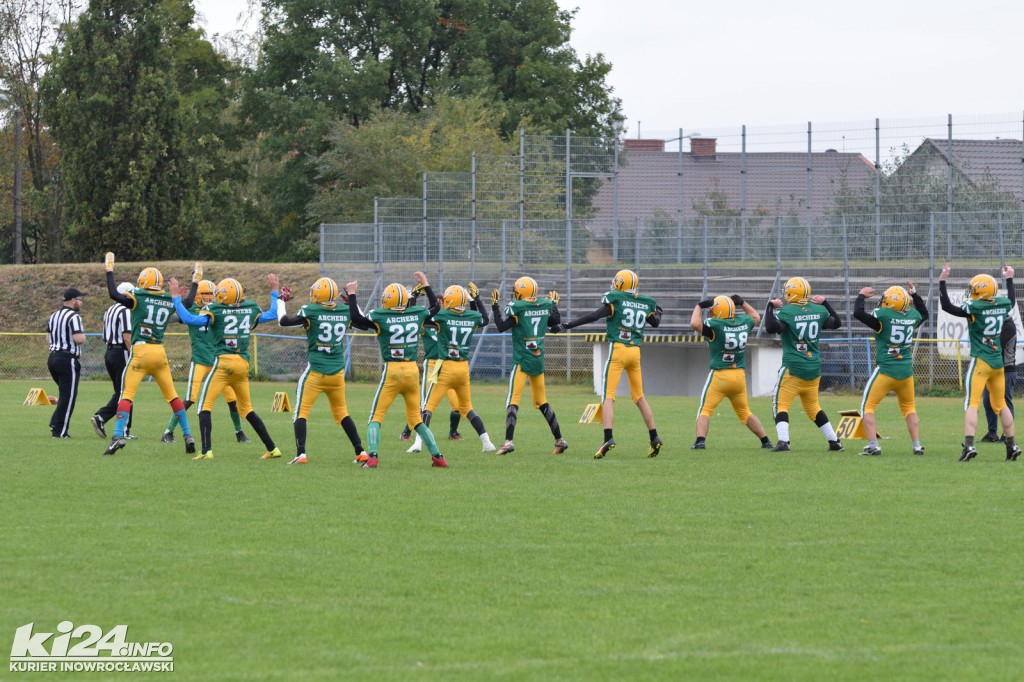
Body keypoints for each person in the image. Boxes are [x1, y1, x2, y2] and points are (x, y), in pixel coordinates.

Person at [552, 269, 663, 459]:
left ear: (620, 284)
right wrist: (659, 311)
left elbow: (594, 316)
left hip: (618, 349)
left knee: (608, 397)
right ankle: (654, 437)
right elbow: (655, 322)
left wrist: (566, 325)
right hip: (635, 351)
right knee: (639, 397)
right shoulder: (645, 302)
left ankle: (608, 438)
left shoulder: (616, 299)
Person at [171, 275, 281, 461]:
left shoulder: (215, 310)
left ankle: (206, 450)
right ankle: (272, 448)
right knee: (247, 410)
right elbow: (273, 314)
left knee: (204, 406)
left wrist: (175, 298)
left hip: (223, 363)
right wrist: (274, 290)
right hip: (242, 364)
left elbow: (188, 318)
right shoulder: (249, 308)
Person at [346, 272, 446, 468]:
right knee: (416, 420)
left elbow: (357, 318)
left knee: (375, 417)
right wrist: (425, 283)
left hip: (392, 370)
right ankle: (438, 457)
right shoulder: (416, 313)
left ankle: (373, 457)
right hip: (412, 371)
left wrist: (351, 294)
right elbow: (435, 307)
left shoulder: (380, 316)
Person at [100, 253, 196, 456]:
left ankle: (117, 436)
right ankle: (188, 435)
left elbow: (114, 294)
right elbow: (187, 304)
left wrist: (109, 269)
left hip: (140, 351)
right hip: (159, 352)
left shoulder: (139, 295)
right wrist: (195, 281)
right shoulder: (167, 298)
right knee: (173, 397)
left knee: (126, 395)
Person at [276, 276, 368, 465]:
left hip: (316, 372)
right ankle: (361, 452)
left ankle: (301, 454)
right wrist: (351, 301)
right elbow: (363, 322)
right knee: (342, 413)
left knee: (300, 413)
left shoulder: (311, 310)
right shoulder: (344, 311)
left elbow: (283, 322)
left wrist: (281, 300)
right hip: (337, 374)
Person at [939, 263, 1020, 462]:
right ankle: (1012, 445)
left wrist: (942, 282)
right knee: (1001, 405)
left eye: (973, 289)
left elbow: (947, 306)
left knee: (971, 403)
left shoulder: (974, 307)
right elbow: (1011, 300)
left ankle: (969, 446)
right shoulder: (1002, 304)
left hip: (981, 361)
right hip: (997, 364)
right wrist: (1010, 278)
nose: (971, 292)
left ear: (981, 291)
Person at [161, 279, 250, 445]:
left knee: (232, 400)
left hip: (218, 363)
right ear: (198, 295)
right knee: (190, 399)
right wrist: (172, 303)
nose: (209, 297)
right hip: (200, 361)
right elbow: (170, 318)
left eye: (211, 294)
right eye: (205, 294)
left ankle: (239, 432)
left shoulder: (218, 309)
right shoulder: (192, 309)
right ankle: (168, 431)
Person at [408, 283, 495, 453]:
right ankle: (487, 442)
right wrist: (476, 300)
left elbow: (418, 318)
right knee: (467, 408)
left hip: (445, 367)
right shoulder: (471, 316)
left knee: (428, 407)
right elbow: (485, 319)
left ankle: (418, 442)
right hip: (463, 369)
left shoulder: (443, 316)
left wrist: (413, 298)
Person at [764, 276, 844, 452]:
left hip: (793, 368)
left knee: (780, 405)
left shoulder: (787, 312)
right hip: (813, 368)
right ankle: (835, 441)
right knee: (813, 407)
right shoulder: (819, 310)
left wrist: (770, 306)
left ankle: (784, 442)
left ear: (792, 293)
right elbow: (837, 323)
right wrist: (825, 303)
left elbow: (770, 328)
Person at [490, 276, 568, 456]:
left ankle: (508, 442)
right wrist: (554, 305)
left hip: (522, 360)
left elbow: (501, 326)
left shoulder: (518, 308)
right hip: (537, 359)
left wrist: (495, 308)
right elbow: (554, 321)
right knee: (542, 401)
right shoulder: (544, 305)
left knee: (513, 400)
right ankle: (560, 440)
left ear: (521, 292)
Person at [853, 283, 928, 456]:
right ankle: (917, 446)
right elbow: (924, 313)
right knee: (909, 408)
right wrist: (915, 295)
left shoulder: (883, 317)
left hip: (886, 371)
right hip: (906, 372)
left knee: (867, 407)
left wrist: (861, 296)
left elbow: (858, 313)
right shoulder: (912, 317)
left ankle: (873, 445)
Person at [689, 294, 773, 450]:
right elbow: (756, 317)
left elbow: (695, 323)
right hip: (738, 376)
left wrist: (699, 306)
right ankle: (766, 440)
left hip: (720, 376)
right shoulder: (743, 322)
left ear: (718, 311)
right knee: (745, 412)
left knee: (705, 410)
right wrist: (742, 302)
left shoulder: (715, 325)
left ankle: (700, 441)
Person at [400, 283, 463, 444]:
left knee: (457, 405)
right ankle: (406, 432)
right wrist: (412, 299)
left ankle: (453, 432)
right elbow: (412, 316)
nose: (442, 305)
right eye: (439, 303)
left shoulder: (449, 320)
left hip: (447, 365)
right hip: (432, 364)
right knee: (425, 404)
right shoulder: (426, 319)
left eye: (444, 302)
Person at [91, 283, 134, 440]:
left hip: (109, 352)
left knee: (121, 391)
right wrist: (134, 354)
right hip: (121, 352)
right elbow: (127, 336)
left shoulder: (110, 310)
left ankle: (118, 426)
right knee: (126, 392)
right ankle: (106, 419)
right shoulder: (125, 310)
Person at [47, 287, 87, 439]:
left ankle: (55, 423)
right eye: (80, 300)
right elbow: (79, 339)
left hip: (53, 358)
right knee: (69, 396)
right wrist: (83, 336)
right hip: (67, 359)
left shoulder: (54, 315)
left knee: (65, 395)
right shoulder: (73, 317)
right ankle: (60, 431)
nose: (81, 303)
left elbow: (48, 338)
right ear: (73, 300)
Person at [980, 317, 1017, 443]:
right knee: (987, 401)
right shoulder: (995, 324)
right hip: (992, 369)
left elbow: (997, 346)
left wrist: (984, 340)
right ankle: (992, 434)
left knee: (1005, 403)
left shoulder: (1008, 326)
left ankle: (1007, 436)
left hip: (1006, 370)